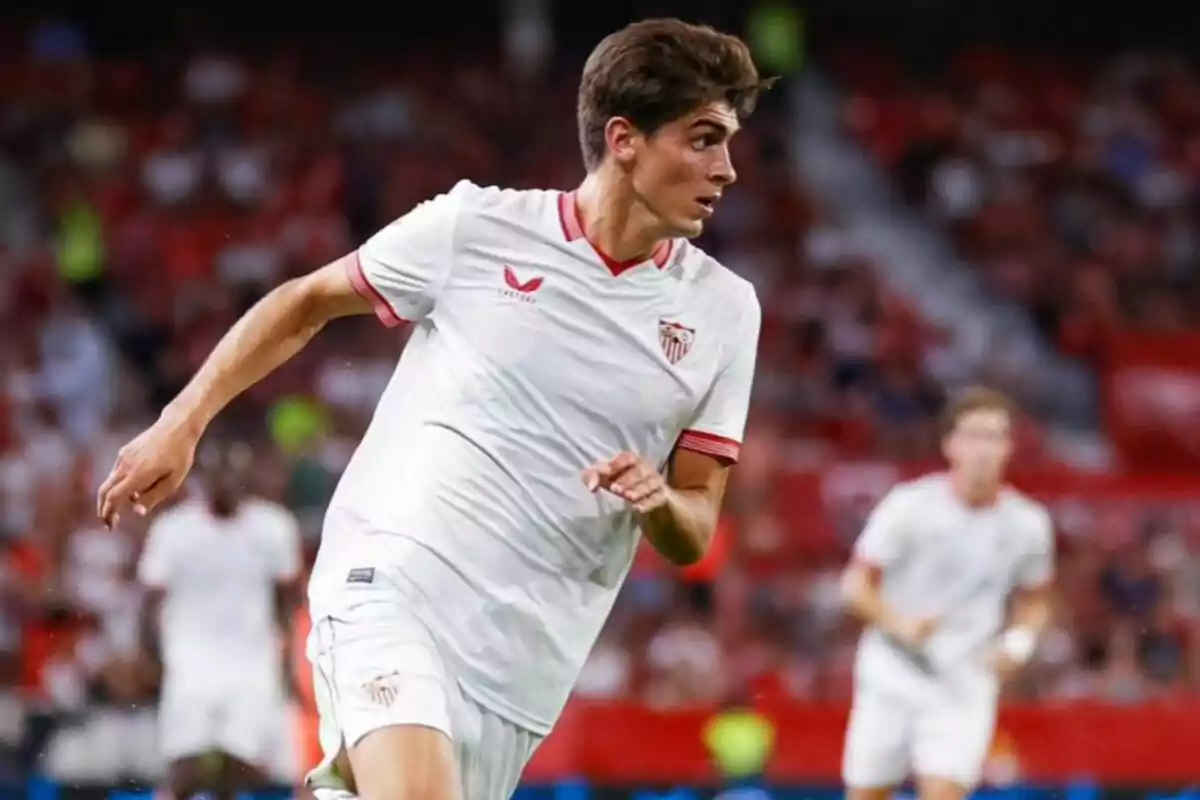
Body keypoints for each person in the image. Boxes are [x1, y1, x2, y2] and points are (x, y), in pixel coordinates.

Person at [98, 18, 769, 800]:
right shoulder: (475, 227)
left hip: (524, 659)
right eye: (703, 138)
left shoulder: (725, 312)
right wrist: (182, 422)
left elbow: (695, 527)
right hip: (391, 584)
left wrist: (658, 503)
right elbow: (304, 302)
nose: (726, 168)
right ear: (624, 139)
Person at [839, 387, 1055, 800]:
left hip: (965, 678)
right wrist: (899, 623)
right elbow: (855, 585)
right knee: (867, 794)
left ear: (1009, 447)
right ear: (950, 444)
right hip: (892, 670)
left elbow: (1036, 597)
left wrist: (1019, 643)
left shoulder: (1028, 524)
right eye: (973, 436)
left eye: (994, 437)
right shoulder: (909, 506)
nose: (983, 449)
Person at [136, 441, 302, 800]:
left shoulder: (274, 527)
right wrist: (150, 658)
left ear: (246, 476)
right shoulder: (174, 530)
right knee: (185, 764)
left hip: (252, 662)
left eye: (233, 473)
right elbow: (149, 601)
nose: (225, 482)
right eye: (217, 473)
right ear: (202, 478)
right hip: (190, 661)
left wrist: (291, 664)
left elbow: (286, 602)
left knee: (241, 763)